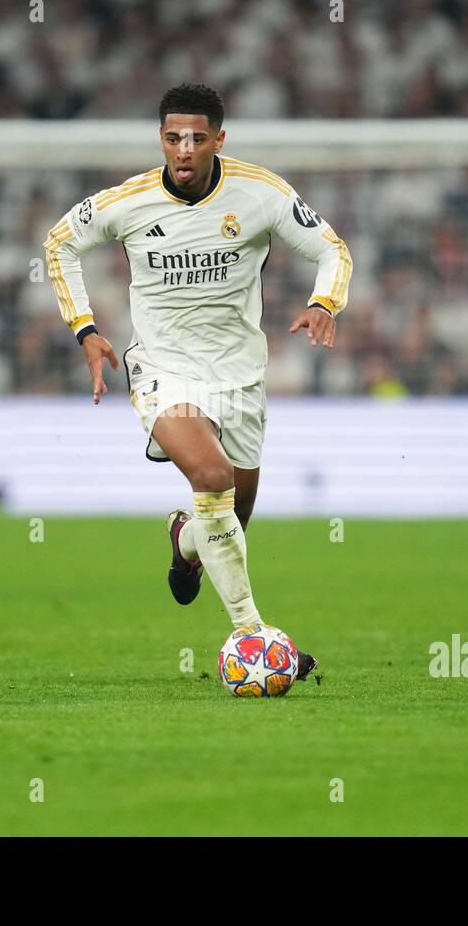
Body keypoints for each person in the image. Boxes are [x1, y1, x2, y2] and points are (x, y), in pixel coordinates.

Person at [42, 83, 352, 685]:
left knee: (230, 515)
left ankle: (186, 541)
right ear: (161, 139)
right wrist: (85, 329)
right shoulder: (129, 201)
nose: (184, 150)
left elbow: (332, 248)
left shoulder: (260, 194)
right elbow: (60, 244)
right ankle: (252, 637)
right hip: (162, 367)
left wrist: (324, 303)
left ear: (218, 140)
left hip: (240, 375)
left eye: (197, 138)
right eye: (172, 138)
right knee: (210, 478)